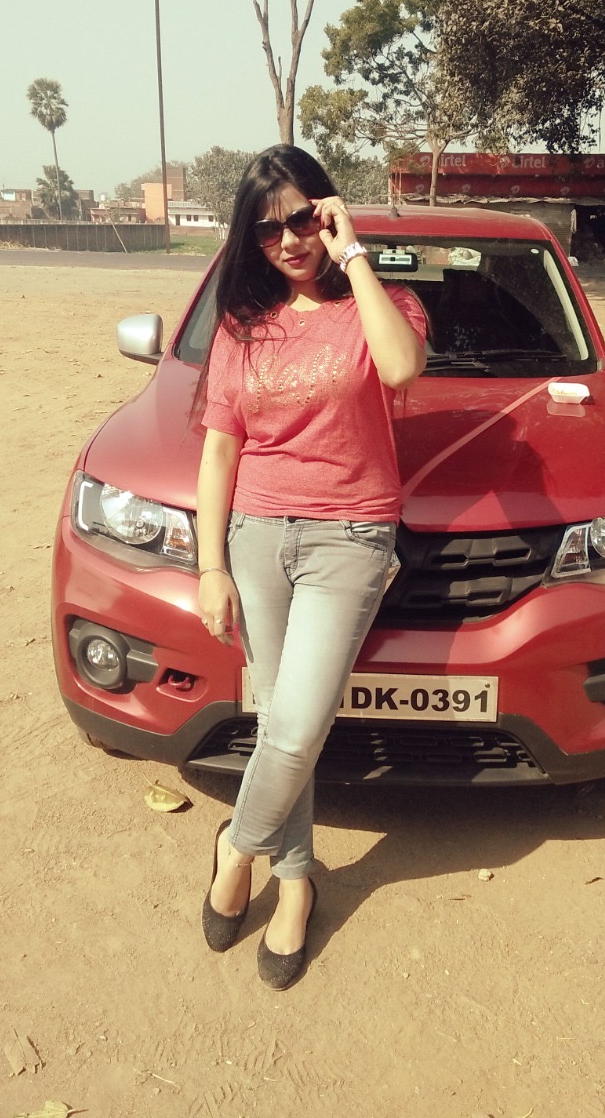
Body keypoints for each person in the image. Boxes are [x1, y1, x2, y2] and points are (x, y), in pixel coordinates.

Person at [195, 145, 427, 988]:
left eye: (301, 217)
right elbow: (221, 450)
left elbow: (401, 367)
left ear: (327, 210)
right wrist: (210, 567)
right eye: (267, 229)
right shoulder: (240, 324)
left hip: (350, 539)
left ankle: (235, 848)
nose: (289, 240)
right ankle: (295, 883)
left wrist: (352, 250)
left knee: (296, 728)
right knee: (279, 727)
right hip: (256, 534)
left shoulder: (384, 303)